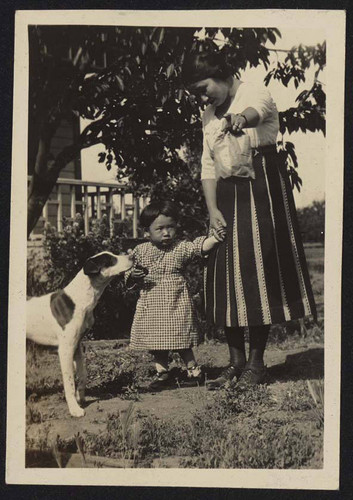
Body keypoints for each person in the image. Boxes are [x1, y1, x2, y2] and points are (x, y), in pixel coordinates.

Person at [182, 51, 317, 390]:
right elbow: (208, 165)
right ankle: (235, 362)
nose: (202, 98)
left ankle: (257, 364)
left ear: (222, 74)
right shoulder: (208, 115)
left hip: (262, 189)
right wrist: (212, 209)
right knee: (224, 271)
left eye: (203, 89)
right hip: (226, 194)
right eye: (196, 94)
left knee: (259, 269)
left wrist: (239, 119)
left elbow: (256, 114)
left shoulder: (255, 91)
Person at [125, 200, 222, 391]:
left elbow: (198, 247)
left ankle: (194, 372)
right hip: (151, 303)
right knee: (156, 341)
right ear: (147, 232)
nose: (166, 233)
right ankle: (163, 373)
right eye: (159, 228)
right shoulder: (141, 251)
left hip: (176, 301)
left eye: (170, 227)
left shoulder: (180, 247)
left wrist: (216, 238)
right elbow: (128, 271)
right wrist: (132, 275)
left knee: (180, 338)